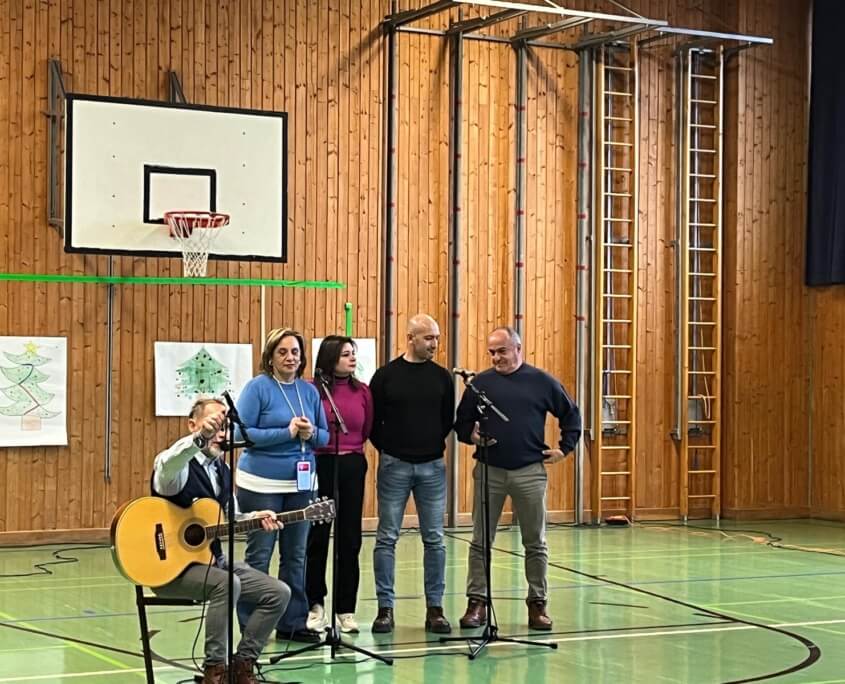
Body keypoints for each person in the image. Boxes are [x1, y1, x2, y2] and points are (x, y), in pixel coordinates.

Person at [151, 396, 290, 684]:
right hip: (171, 569)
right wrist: (198, 439)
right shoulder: (177, 467)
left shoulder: (222, 471)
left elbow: (231, 517)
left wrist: (255, 517)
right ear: (192, 425)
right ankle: (214, 670)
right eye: (211, 425)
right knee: (227, 584)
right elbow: (167, 465)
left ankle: (242, 664)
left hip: (212, 561)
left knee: (278, 592)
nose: (219, 433)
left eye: (223, 427)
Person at [454, 326, 581, 631]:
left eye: (502, 351)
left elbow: (571, 415)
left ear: (518, 348)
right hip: (489, 471)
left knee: (535, 542)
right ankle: (477, 602)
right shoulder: (480, 384)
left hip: (530, 473)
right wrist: (472, 436)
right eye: (492, 352)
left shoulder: (542, 382)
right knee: (480, 541)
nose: (496, 357)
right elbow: (462, 424)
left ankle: (537, 603)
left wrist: (564, 449)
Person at [235, 328, 330, 643]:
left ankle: (292, 623)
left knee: (296, 555)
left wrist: (310, 433)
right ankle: (252, 626)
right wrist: (285, 433)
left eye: (295, 352)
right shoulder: (258, 388)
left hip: (301, 484)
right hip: (261, 484)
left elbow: (325, 436)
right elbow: (240, 434)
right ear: (270, 357)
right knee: (260, 554)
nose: (290, 358)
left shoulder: (309, 391)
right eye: (283, 352)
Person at [369, 313, 454, 634]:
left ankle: (435, 608)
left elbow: (446, 421)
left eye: (437, 338)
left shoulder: (442, 377)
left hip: (432, 466)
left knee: (435, 539)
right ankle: (385, 609)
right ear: (411, 338)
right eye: (429, 338)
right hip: (395, 465)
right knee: (386, 537)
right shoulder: (385, 377)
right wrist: (391, 449)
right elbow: (373, 423)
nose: (435, 344)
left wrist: (427, 446)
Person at [305, 335, 373, 634]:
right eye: (345, 354)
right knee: (317, 537)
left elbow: (366, 429)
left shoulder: (363, 391)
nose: (352, 358)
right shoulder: (312, 390)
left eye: (353, 353)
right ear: (330, 358)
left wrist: (350, 451)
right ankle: (315, 604)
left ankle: (346, 609)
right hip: (321, 464)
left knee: (349, 538)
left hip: (352, 464)